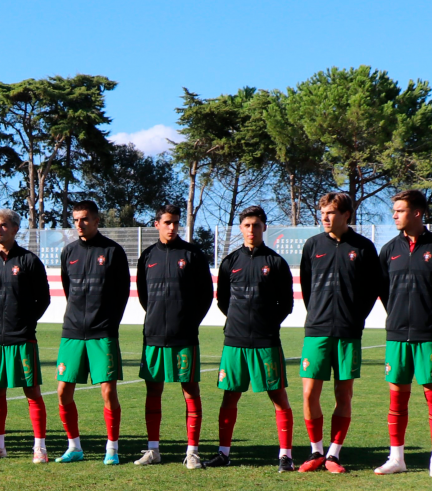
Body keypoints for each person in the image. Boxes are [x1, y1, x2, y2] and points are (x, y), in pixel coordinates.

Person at [374, 190, 432, 478]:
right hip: (396, 335)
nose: (394, 215)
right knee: (397, 397)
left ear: (417, 213)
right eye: (394, 210)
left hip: (429, 335)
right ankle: (396, 457)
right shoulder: (388, 250)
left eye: (399, 210)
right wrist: (397, 316)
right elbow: (384, 292)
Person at [202, 206, 295, 472]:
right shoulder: (230, 262)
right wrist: (238, 323)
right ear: (241, 228)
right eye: (247, 225)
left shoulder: (276, 262)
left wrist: (266, 324)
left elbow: (286, 303)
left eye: (256, 225)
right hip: (234, 341)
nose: (251, 230)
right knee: (229, 397)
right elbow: (222, 301)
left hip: (266, 341)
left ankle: (285, 456)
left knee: (278, 398)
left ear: (264, 227)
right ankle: (223, 453)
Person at [297, 192, 381, 474]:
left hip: (348, 331)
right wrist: (318, 314)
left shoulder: (364, 248)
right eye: (322, 212)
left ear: (346, 215)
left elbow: (372, 291)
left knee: (343, 393)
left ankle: (333, 455)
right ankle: (316, 451)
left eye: (331, 212)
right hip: (316, 330)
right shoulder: (312, 246)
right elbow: (308, 288)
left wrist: (355, 317)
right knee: (309, 393)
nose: (325, 217)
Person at [134, 204, 213, 469]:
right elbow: (145, 296)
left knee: (190, 390)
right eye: (167, 222)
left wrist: (188, 322)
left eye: (176, 222)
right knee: (153, 390)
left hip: (184, 336)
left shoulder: (193, 254)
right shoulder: (147, 256)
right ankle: (153, 450)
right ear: (156, 224)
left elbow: (206, 295)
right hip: (154, 335)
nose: (172, 227)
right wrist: (157, 318)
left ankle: (192, 452)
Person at [54, 200, 130, 465]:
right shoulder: (69, 252)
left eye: (84, 219)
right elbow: (68, 289)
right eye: (75, 219)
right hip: (72, 331)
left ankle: (112, 448)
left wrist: (109, 324)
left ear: (97, 220)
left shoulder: (113, 252)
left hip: (102, 333)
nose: (79, 224)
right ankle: (74, 446)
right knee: (63, 391)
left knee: (108, 392)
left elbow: (122, 294)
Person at [0, 209, 51, 462]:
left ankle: (39, 447)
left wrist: (26, 322)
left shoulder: (29, 261)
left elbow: (44, 298)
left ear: (16, 229)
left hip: (23, 338)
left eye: (3, 225)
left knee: (32, 392)